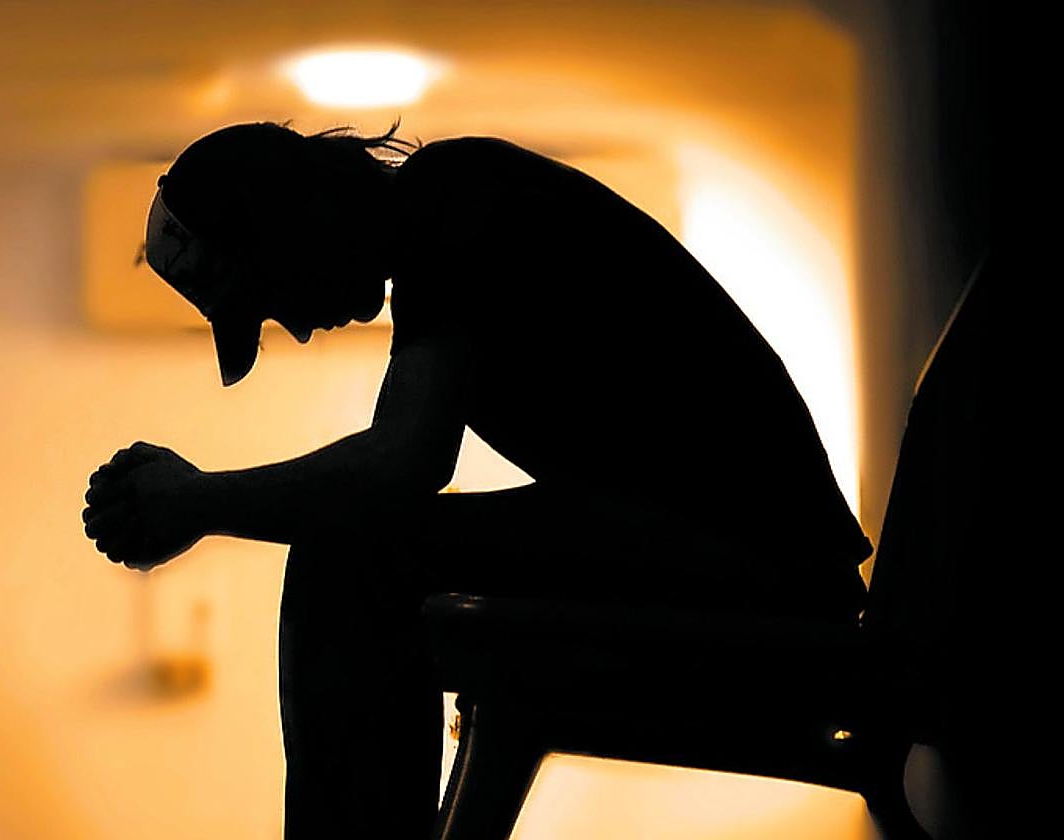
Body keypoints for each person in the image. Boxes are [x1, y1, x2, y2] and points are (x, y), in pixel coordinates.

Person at [81, 120, 873, 838]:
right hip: (753, 562)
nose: (293, 327)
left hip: (773, 577)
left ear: (291, 224)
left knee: (351, 553)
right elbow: (401, 471)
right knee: (356, 545)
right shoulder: (451, 206)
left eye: (266, 296)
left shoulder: (453, 201)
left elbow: (400, 466)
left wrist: (196, 502)